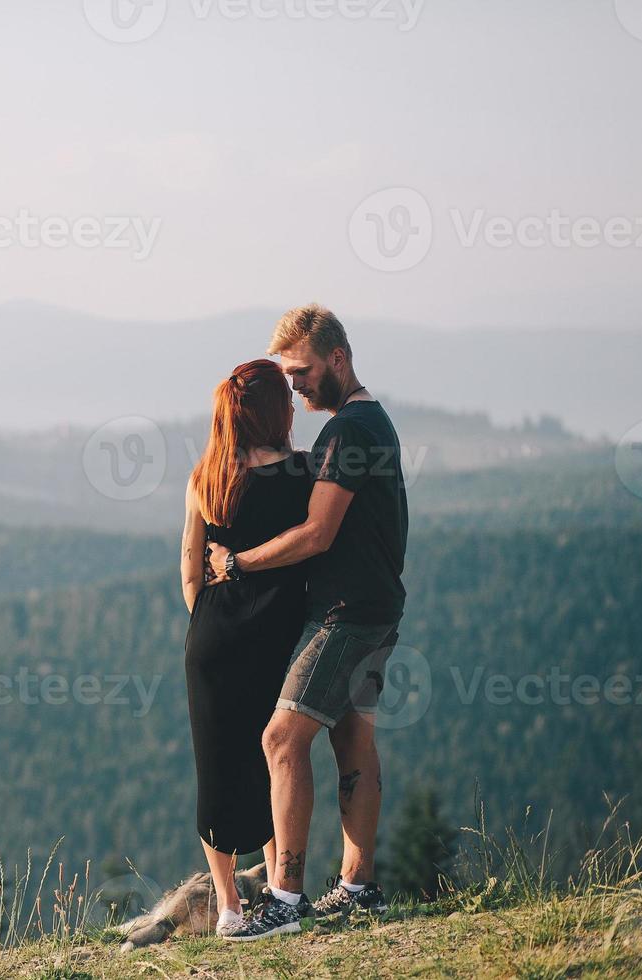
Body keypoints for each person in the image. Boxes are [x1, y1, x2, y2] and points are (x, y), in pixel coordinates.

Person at [209, 304, 408, 941]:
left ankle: (285, 902)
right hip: (379, 606)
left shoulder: (348, 431)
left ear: (337, 360)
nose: (293, 384)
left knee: (280, 741)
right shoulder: (374, 421)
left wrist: (238, 562)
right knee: (353, 743)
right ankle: (356, 888)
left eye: (301, 372)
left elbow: (318, 533)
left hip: (346, 613)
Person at [181, 357, 314, 937]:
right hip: (277, 638)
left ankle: (230, 906)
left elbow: (190, 567)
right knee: (274, 760)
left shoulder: (207, 476)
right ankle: (279, 891)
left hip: (212, 638)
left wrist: (210, 619)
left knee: (216, 765)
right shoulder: (306, 474)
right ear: (275, 411)